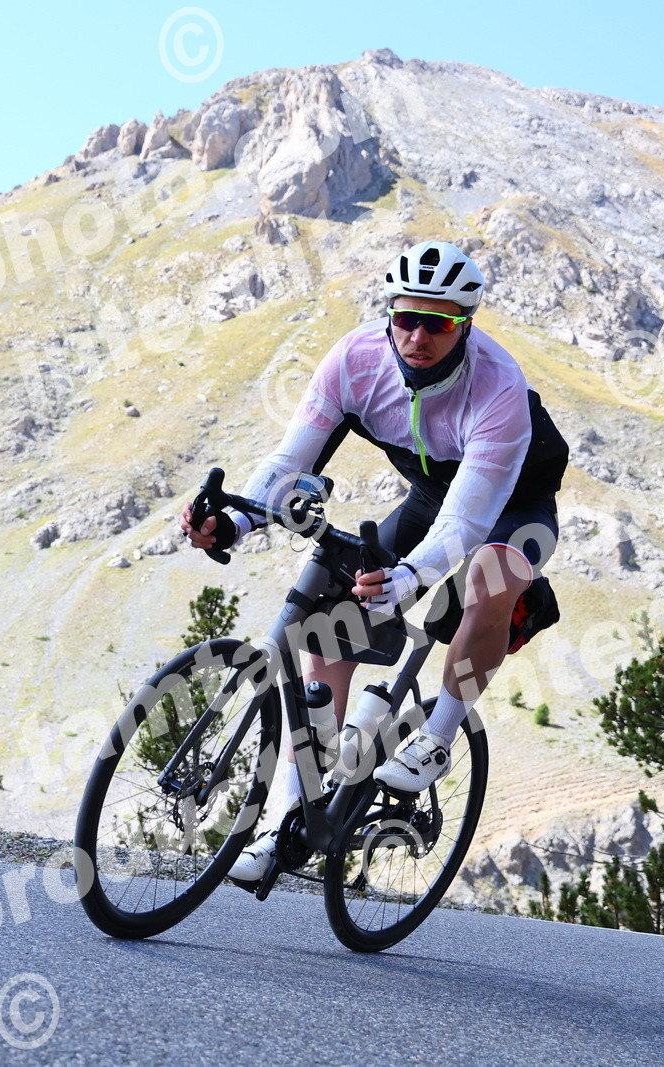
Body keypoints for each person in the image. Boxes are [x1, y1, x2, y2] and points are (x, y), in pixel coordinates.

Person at [178, 240, 569, 883]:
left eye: (437, 323)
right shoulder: (355, 360)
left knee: (489, 574)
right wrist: (239, 519)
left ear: (465, 324)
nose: (418, 336)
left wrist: (411, 577)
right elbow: (289, 462)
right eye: (406, 318)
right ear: (389, 313)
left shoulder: (498, 385)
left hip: (515, 505)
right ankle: (293, 815)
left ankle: (437, 738)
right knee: (328, 619)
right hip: (430, 495)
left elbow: (467, 522)